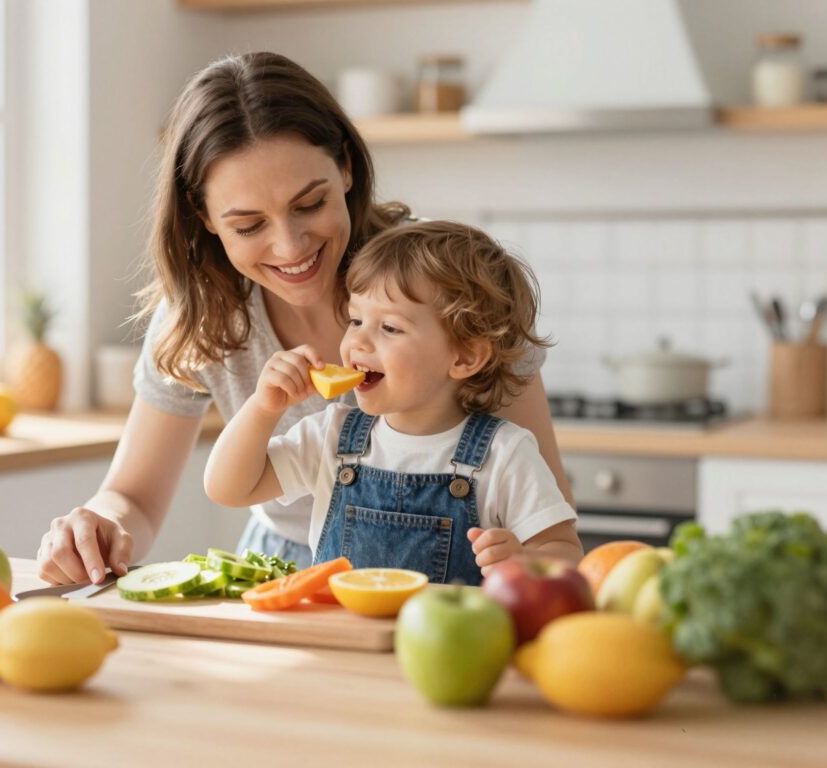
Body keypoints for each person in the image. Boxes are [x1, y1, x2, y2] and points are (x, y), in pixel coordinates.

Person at [36, 51, 575, 586]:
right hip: (286, 574)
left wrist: (526, 563)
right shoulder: (203, 314)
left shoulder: (450, 286)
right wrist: (99, 525)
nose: (290, 247)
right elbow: (136, 498)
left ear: (344, 166)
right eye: (248, 226)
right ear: (205, 218)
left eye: (309, 204)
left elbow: (549, 528)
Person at [204, 221, 582, 584]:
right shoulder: (331, 436)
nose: (358, 343)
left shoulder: (504, 454)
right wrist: (262, 408)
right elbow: (228, 488)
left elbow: (565, 551)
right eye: (355, 320)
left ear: (465, 358)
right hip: (340, 641)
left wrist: (525, 560)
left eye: (389, 328)